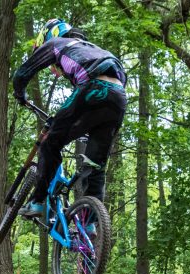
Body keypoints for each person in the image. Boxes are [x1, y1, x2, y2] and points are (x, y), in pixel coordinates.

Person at [13, 19, 127, 228]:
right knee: (95, 166)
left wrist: (20, 94)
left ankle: (37, 202)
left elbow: (23, 73)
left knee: (50, 143)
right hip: (119, 98)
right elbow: (115, 84)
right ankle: (90, 226)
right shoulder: (96, 50)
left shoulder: (56, 43)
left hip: (92, 88)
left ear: (48, 37)